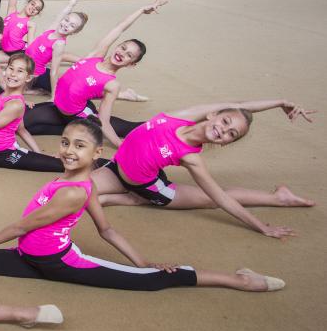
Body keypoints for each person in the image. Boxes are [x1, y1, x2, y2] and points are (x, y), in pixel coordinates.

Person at [0, 120, 287, 294]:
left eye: (79, 146)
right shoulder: (77, 184)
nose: (67, 151)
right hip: (31, 258)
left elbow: (18, 226)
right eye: (65, 143)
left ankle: (238, 280)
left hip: (61, 262)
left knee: (149, 283)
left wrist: (146, 264)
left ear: (98, 153)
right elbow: (106, 230)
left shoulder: (74, 192)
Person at [92, 101, 315, 238]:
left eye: (231, 134)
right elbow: (239, 103)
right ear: (212, 114)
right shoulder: (183, 116)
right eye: (226, 122)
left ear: (225, 143)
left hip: (153, 188)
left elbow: (219, 197)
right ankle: (131, 198)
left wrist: (261, 227)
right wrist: (280, 102)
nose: (224, 130)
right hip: (116, 169)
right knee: (65, 188)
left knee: (208, 199)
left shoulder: (191, 157)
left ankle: (278, 199)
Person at [23, 0, 166, 147]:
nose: (122, 53)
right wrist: (141, 10)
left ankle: (155, 127)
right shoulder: (97, 55)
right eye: (123, 48)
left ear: (131, 64)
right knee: (23, 124)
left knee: (117, 126)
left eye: (129, 55)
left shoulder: (112, 85)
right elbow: (120, 27)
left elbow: (104, 121)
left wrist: (120, 145)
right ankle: (67, 128)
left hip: (79, 116)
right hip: (57, 107)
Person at [24, 0, 101, 94]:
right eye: (66, 20)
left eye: (72, 26)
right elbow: (71, 4)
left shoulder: (59, 43)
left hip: (36, 75)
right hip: (27, 67)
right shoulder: (52, 29)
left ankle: (116, 93)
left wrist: (53, 97)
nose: (66, 25)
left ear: (74, 32)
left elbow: (54, 71)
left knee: (71, 90)